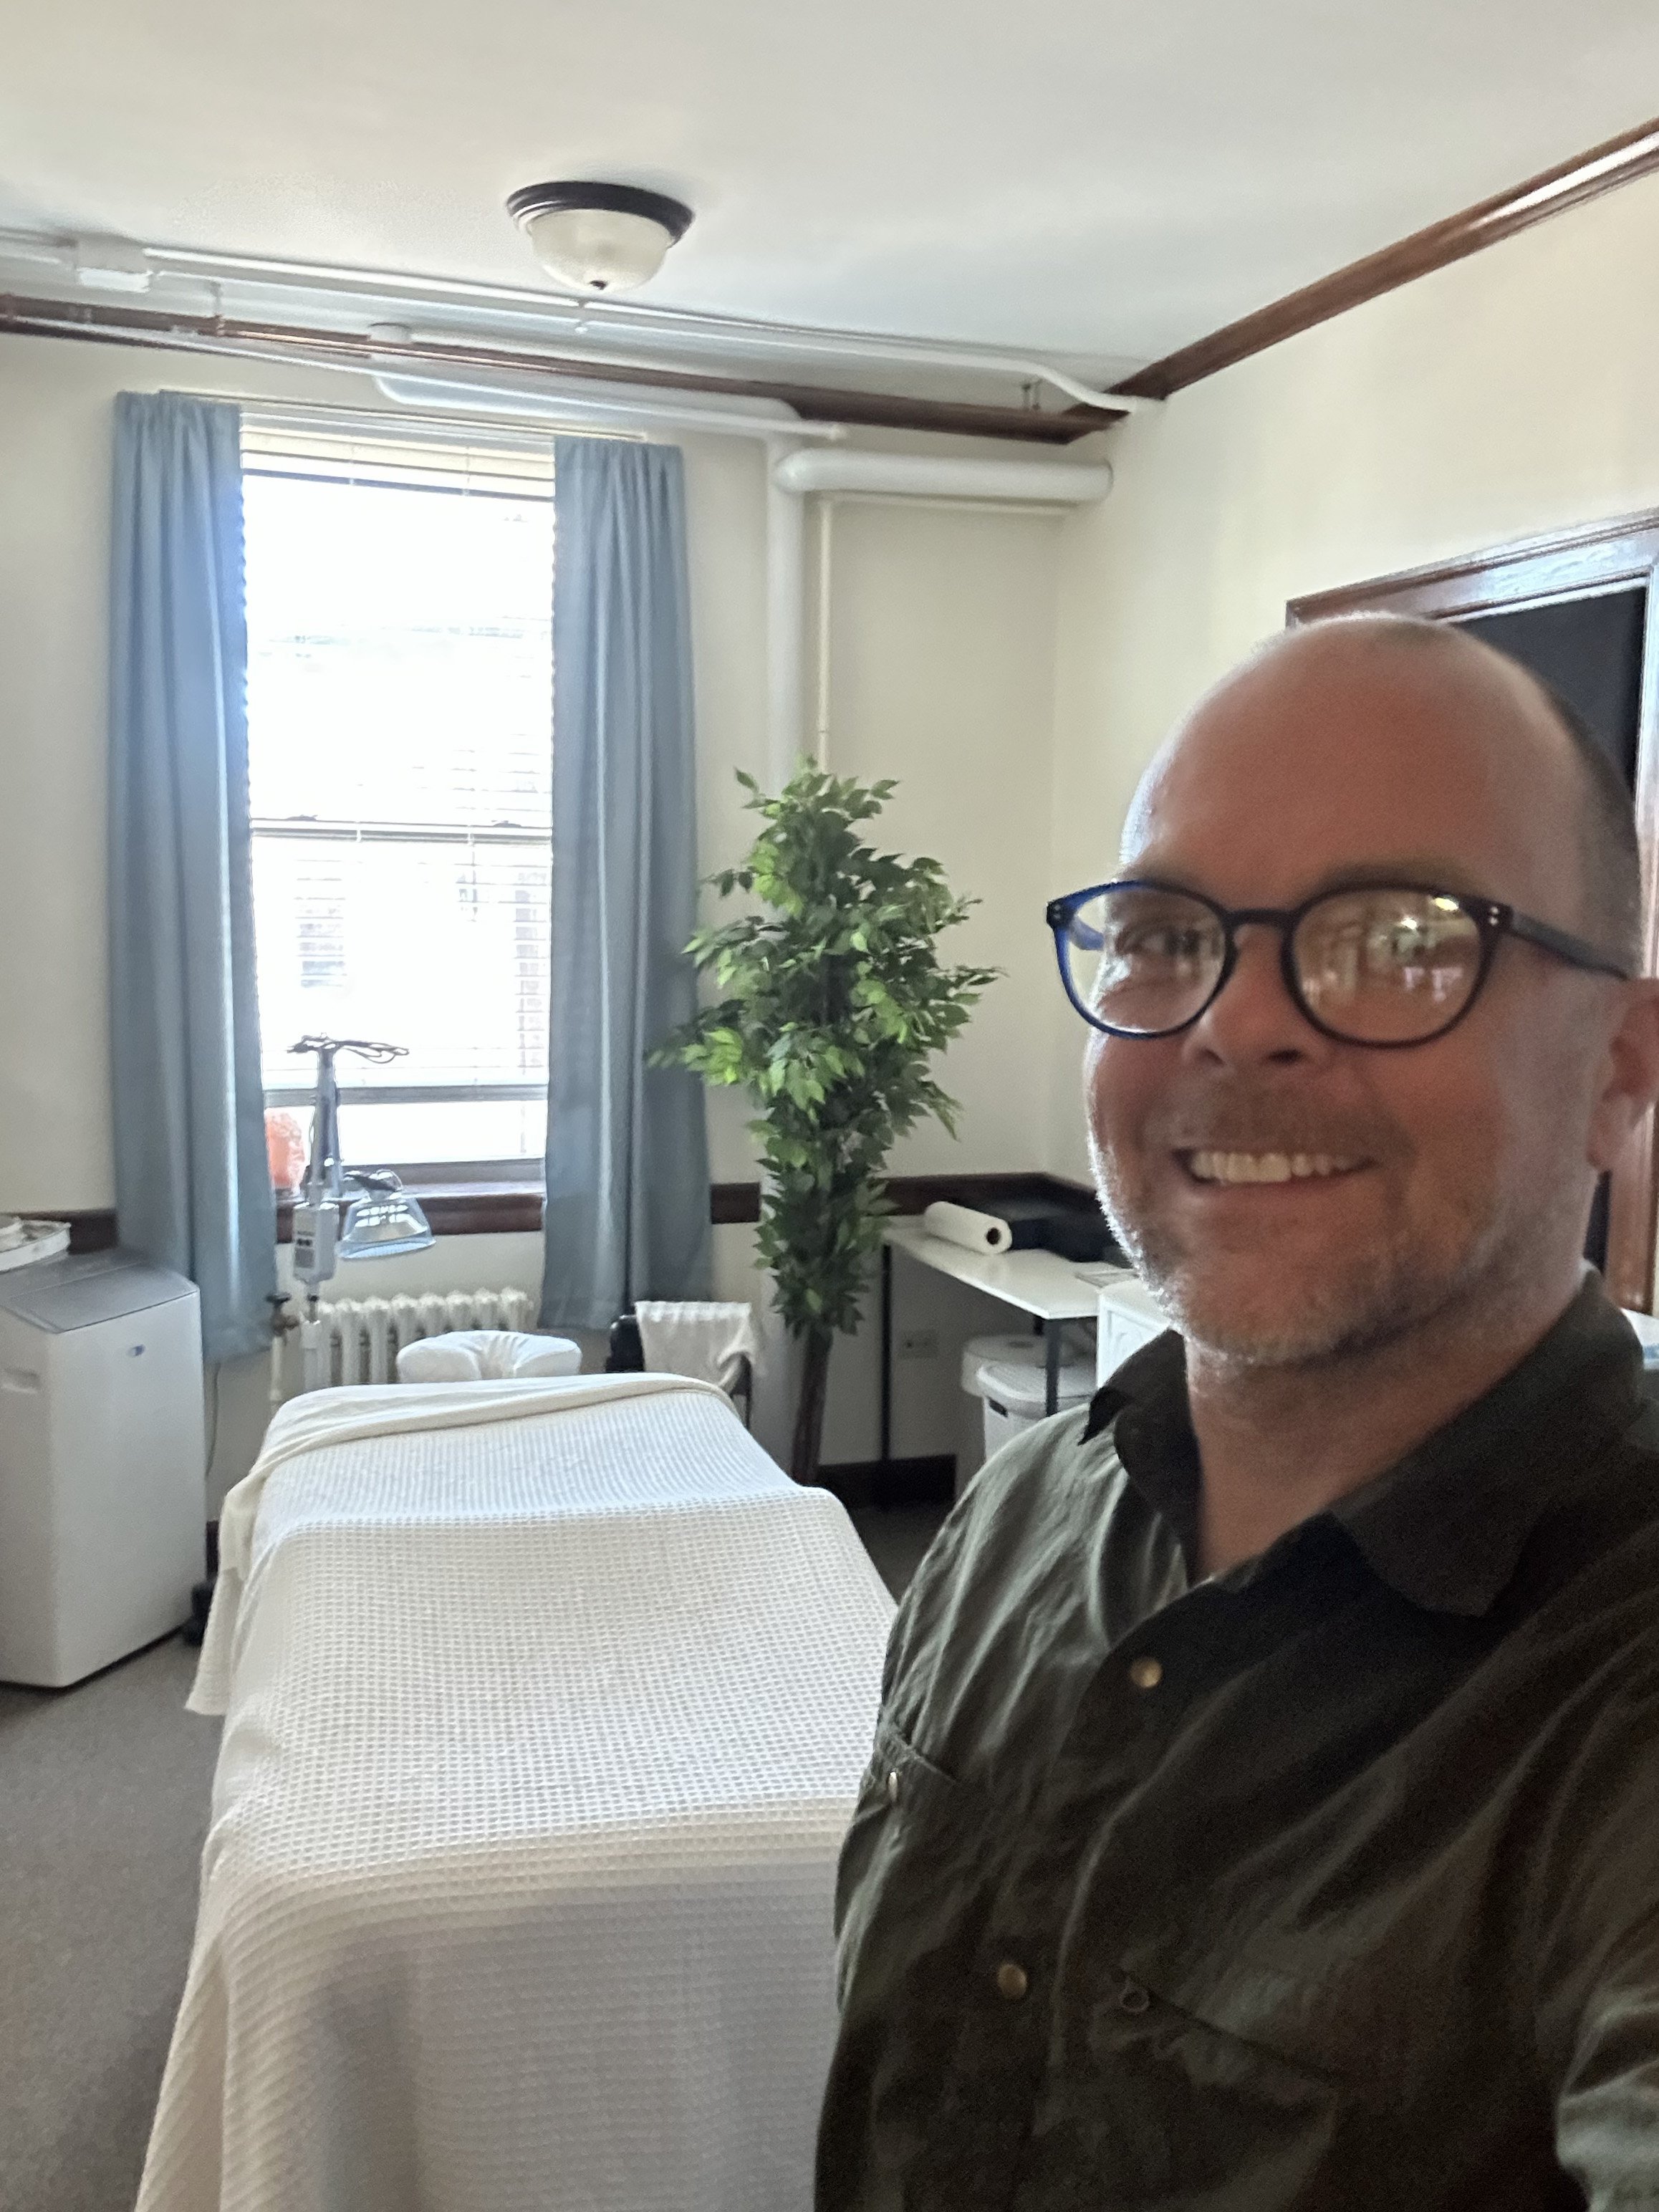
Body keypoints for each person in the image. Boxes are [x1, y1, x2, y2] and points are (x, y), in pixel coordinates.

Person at [817, 614, 1659, 2211]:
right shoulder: (1018, 1516)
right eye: (1160, 929)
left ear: (1620, 1065)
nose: (1236, 1020)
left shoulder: (1616, 1699)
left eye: (1403, 935)